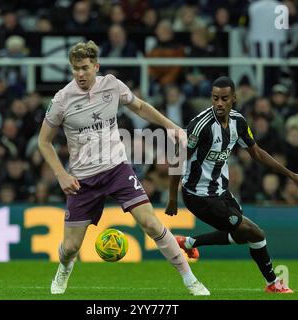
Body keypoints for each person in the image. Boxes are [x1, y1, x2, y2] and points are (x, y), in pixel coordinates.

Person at [37, 40, 209, 296]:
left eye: (85, 68)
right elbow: (44, 141)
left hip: (117, 169)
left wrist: (170, 126)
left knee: (151, 223)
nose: (80, 74)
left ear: (96, 66)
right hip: (82, 179)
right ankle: (64, 268)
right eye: (75, 69)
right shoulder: (62, 100)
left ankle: (190, 280)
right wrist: (61, 174)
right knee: (71, 247)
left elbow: (139, 106)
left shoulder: (112, 85)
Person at [165, 76, 298, 294]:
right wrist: (172, 197)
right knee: (254, 232)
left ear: (233, 99)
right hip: (198, 195)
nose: (219, 103)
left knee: (243, 234)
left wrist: (290, 174)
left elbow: (256, 153)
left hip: (221, 190)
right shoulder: (201, 125)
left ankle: (188, 243)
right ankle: (272, 283)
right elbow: (177, 158)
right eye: (215, 98)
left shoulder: (238, 122)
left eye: (224, 98)